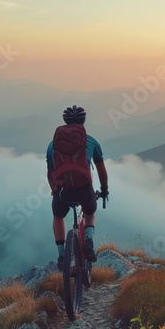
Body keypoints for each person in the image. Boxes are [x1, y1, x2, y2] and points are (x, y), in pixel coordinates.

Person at [47, 105, 109, 265]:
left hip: (63, 190)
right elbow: (102, 170)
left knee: (58, 216)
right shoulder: (91, 141)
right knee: (89, 213)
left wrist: (54, 190)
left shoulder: (53, 145)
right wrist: (104, 190)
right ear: (83, 121)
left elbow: (51, 173)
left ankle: (61, 256)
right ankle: (88, 239)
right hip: (84, 188)